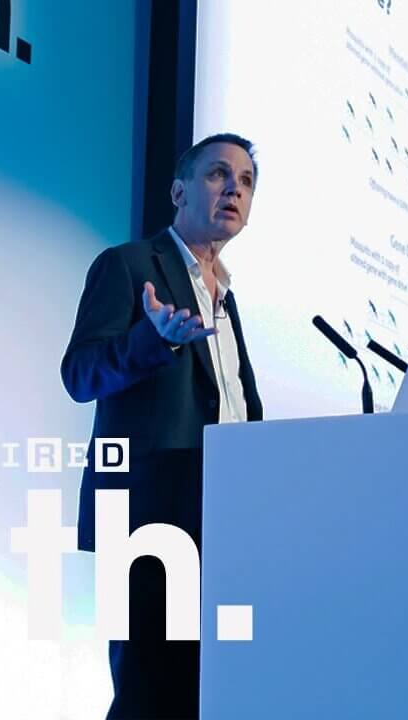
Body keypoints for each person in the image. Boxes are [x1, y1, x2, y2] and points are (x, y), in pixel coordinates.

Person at [61, 133, 263, 719]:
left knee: (204, 696)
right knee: (148, 695)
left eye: (246, 182)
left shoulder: (227, 297)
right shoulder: (127, 266)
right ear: (178, 190)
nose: (234, 189)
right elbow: (79, 375)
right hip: (150, 520)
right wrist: (151, 340)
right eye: (218, 175)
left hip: (221, 523)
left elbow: (234, 407)